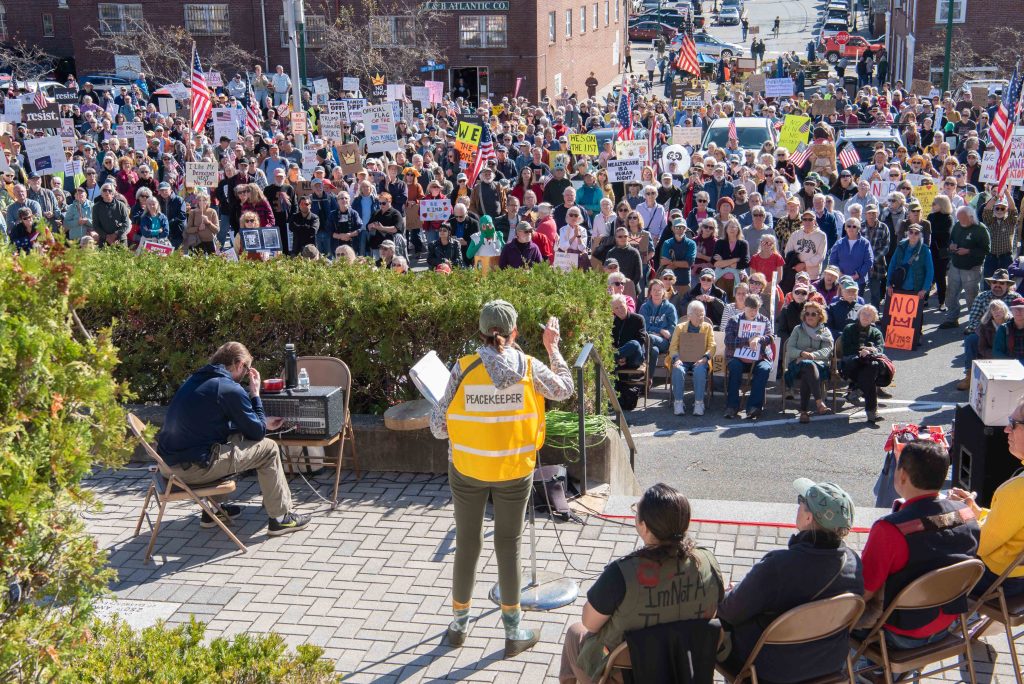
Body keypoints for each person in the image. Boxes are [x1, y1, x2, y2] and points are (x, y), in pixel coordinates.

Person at [429, 301, 573, 657]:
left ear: (479, 332)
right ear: (515, 333)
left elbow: (437, 427)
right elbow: (565, 389)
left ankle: (459, 626)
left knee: (467, 543)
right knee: (508, 544)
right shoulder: (529, 366)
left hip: (467, 469)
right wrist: (553, 346)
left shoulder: (462, 369)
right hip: (514, 470)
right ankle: (513, 631)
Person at [559, 483, 724, 684]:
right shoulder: (707, 561)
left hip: (627, 675)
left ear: (644, 526)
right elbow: (711, 613)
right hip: (684, 669)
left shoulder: (621, 574)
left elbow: (589, 623)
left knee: (575, 632)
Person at [156, 342, 311, 536]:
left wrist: (260, 422)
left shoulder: (196, 379)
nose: (246, 375)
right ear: (238, 364)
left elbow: (213, 426)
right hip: (191, 471)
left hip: (167, 467)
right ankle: (281, 519)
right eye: (246, 369)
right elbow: (258, 434)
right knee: (269, 448)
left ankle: (212, 511)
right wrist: (255, 395)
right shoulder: (228, 388)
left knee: (229, 440)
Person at [717, 479, 863, 683]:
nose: (798, 506)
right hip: (828, 663)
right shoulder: (854, 563)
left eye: (801, 501)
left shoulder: (778, 566)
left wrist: (730, 593)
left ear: (809, 517)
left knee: (714, 625)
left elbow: (729, 611)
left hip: (769, 670)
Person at [855, 441, 980, 663]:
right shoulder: (968, 515)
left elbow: (864, 592)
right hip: (949, 623)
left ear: (902, 475)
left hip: (900, 633)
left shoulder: (890, 529)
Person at [949, 396, 1024, 600]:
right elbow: (1012, 527)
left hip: (1004, 583)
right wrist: (977, 511)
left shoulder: (1016, 490)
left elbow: (980, 545)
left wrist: (963, 516)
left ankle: (929, 628)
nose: (1006, 429)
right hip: (1016, 576)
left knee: (930, 555)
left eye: (1013, 424)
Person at [939, 205, 991, 330]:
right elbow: (951, 240)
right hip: (955, 264)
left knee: (971, 296)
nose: (960, 222)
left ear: (971, 217)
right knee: (951, 293)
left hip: (971, 268)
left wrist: (968, 251)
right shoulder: (957, 226)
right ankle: (951, 318)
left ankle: (974, 323)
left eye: (963, 219)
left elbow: (986, 250)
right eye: (959, 219)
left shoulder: (980, 229)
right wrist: (951, 246)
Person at [724, 294, 774, 420]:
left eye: (756, 309)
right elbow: (728, 341)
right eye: (751, 309)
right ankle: (732, 406)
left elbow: (770, 337)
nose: (754, 312)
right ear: (744, 307)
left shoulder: (764, 320)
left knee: (763, 369)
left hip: (760, 357)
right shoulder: (734, 320)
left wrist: (759, 338)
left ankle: (754, 407)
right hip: (738, 357)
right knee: (734, 368)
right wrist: (747, 341)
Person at [783, 301, 834, 424]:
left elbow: (827, 350)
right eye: (807, 314)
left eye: (813, 314)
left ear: (820, 316)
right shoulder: (797, 329)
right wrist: (802, 353)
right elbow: (790, 349)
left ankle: (804, 412)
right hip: (796, 365)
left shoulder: (825, 332)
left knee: (808, 367)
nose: (810, 316)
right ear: (804, 315)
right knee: (807, 366)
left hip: (820, 366)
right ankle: (818, 402)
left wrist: (812, 355)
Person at [839, 305, 892, 422]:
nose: (866, 316)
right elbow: (847, 349)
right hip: (851, 363)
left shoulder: (876, 332)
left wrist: (871, 351)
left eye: (869, 315)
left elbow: (880, 349)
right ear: (859, 315)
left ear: (873, 318)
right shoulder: (849, 328)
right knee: (865, 370)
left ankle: (868, 405)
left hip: (867, 365)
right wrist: (861, 351)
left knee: (871, 368)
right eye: (864, 313)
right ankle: (870, 409)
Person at [668, 301, 715, 416]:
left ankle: (699, 402)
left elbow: (712, 345)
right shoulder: (679, 328)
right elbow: (673, 347)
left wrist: (705, 357)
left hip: (700, 360)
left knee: (699, 370)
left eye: (702, 314)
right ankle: (678, 402)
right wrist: (676, 358)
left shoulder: (707, 327)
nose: (701, 317)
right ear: (689, 316)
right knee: (678, 369)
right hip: (682, 359)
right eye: (698, 314)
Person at [959, 300, 1011, 390]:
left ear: (1005, 311)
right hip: (991, 356)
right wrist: (996, 356)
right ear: (990, 313)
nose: (997, 312)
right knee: (971, 339)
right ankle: (969, 375)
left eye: (1000, 309)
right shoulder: (984, 325)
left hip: (1009, 356)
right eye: (994, 310)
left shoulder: (1012, 324)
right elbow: (982, 348)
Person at [639, 279, 678, 381]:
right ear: (650, 292)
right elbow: (644, 327)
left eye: (659, 290)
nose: (656, 292)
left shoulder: (669, 307)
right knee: (654, 350)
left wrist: (658, 333)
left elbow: (673, 327)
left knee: (650, 337)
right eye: (654, 290)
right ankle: (649, 379)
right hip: (651, 341)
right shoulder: (644, 307)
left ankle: (639, 368)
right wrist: (660, 331)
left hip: (664, 342)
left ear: (663, 292)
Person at [993, 296, 1024, 364]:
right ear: (1011, 311)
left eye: (1021, 309)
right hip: (1009, 365)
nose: (1018, 311)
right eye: (1015, 309)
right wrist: (1012, 363)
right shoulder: (1004, 328)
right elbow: (997, 352)